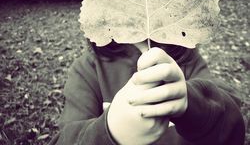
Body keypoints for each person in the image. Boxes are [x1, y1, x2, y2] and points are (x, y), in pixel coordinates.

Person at [49, 40, 245, 145]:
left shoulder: (188, 62)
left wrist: (191, 103)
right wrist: (109, 132)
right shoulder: (89, 69)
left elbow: (232, 131)